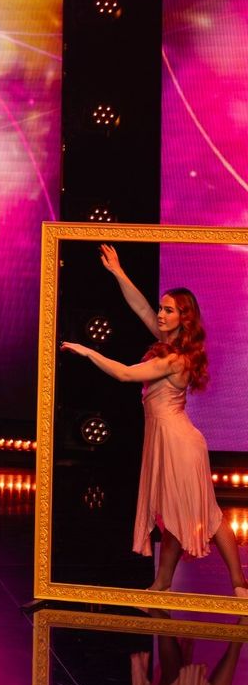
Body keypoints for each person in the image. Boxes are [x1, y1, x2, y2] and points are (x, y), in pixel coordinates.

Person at [59, 244, 248, 599]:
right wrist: (118, 271)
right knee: (171, 517)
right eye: (162, 308)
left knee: (209, 516)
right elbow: (141, 307)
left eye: (168, 310)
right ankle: (162, 585)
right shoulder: (166, 343)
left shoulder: (176, 358)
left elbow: (126, 374)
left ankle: (240, 584)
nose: (160, 314)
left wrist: (87, 351)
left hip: (179, 443)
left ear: (183, 318)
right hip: (164, 440)